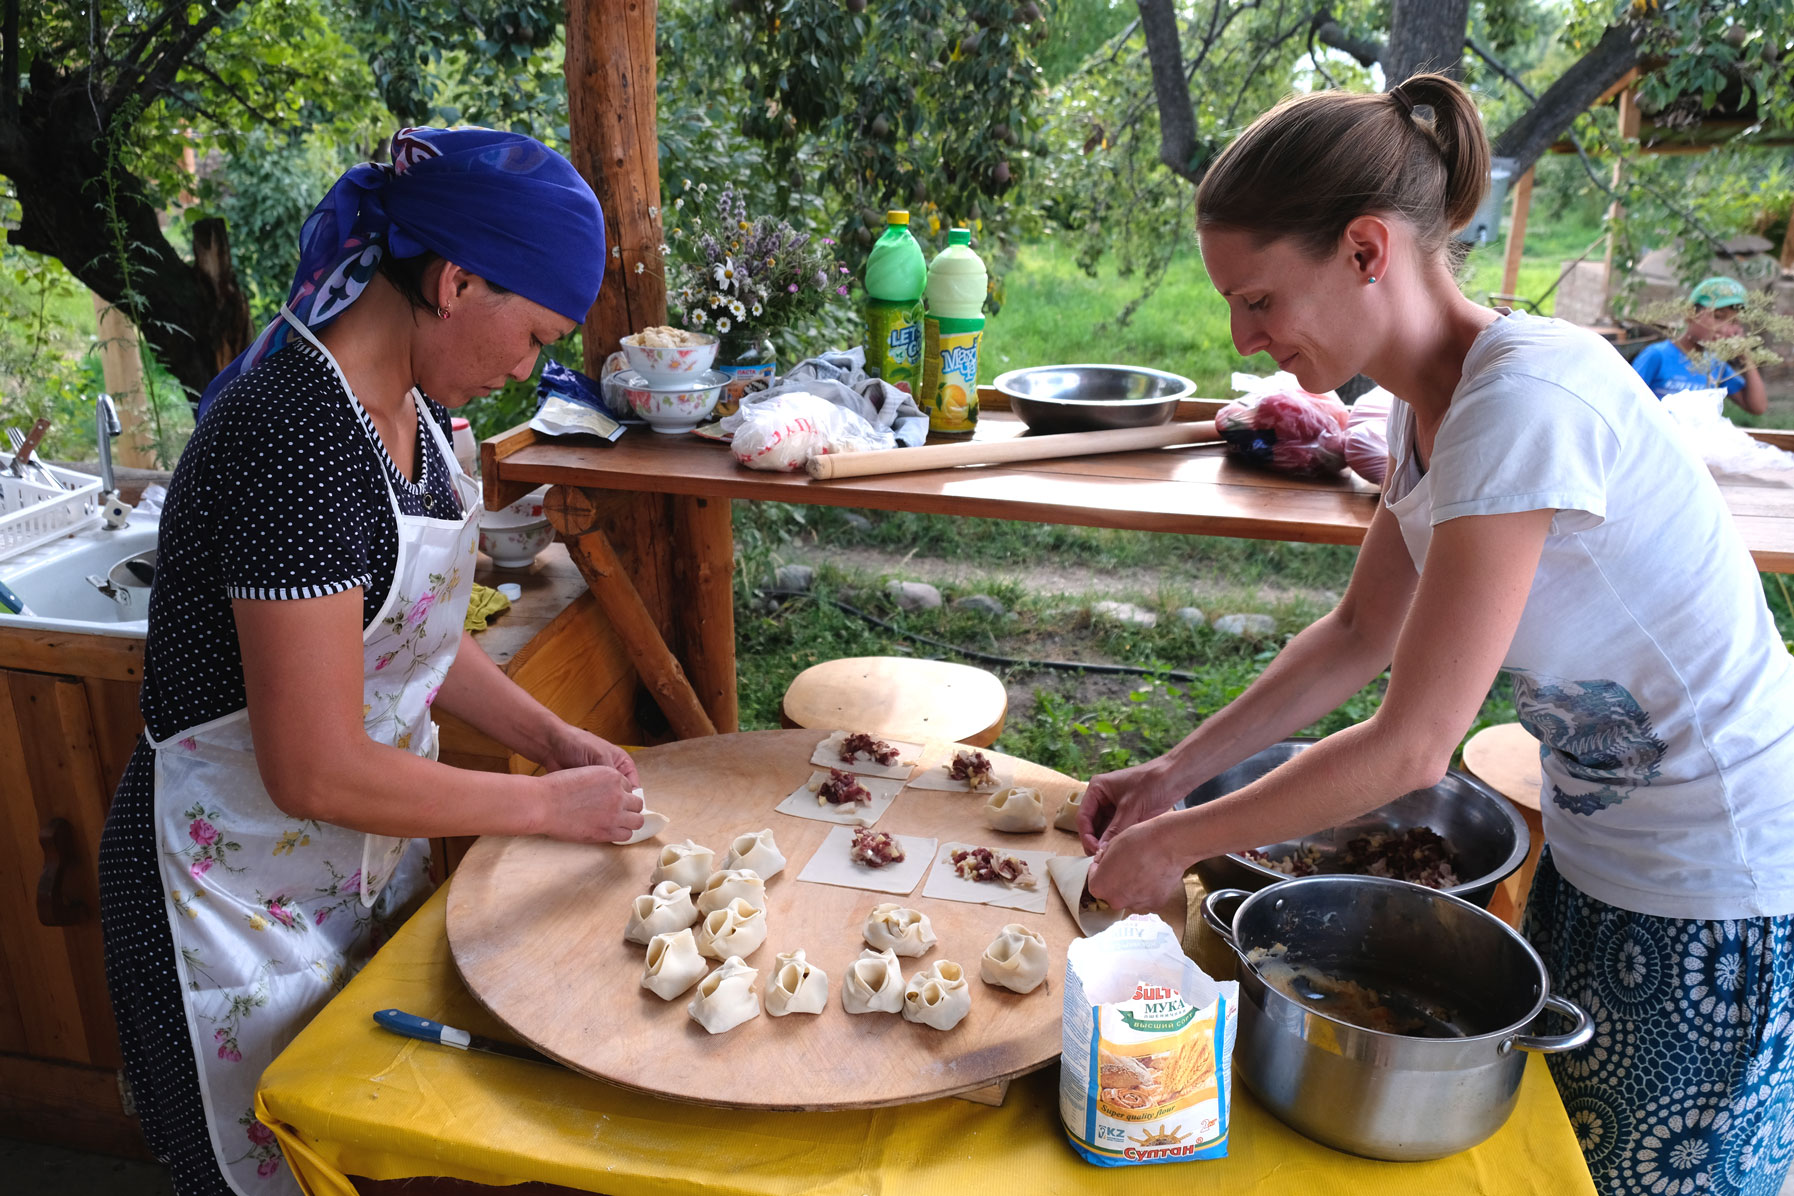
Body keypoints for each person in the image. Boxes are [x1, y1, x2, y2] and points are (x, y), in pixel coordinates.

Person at [1081, 75, 1794, 1196]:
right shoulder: (1433, 409)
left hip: (1728, 876)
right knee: (1568, 1156)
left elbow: (1410, 749)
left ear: (1367, 249)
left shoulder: (1523, 402)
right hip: (1606, 849)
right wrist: (1175, 775)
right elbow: (1360, 628)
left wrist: (1174, 845)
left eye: (1260, 299)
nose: (1244, 336)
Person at [98, 127, 644, 1196]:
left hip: (340, 878)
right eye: (533, 334)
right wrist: (538, 807)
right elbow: (313, 765)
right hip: (224, 907)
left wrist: (548, 734)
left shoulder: (415, 418)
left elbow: (410, 644)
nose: (527, 366)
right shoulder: (295, 437)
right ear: (456, 281)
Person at [1630, 274, 1769, 415]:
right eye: (1718, 317)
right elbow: (1625, 401)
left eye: (1733, 322)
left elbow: (1757, 407)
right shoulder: (1657, 356)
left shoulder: (1716, 366)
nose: (1724, 329)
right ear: (1690, 314)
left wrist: (1745, 357)